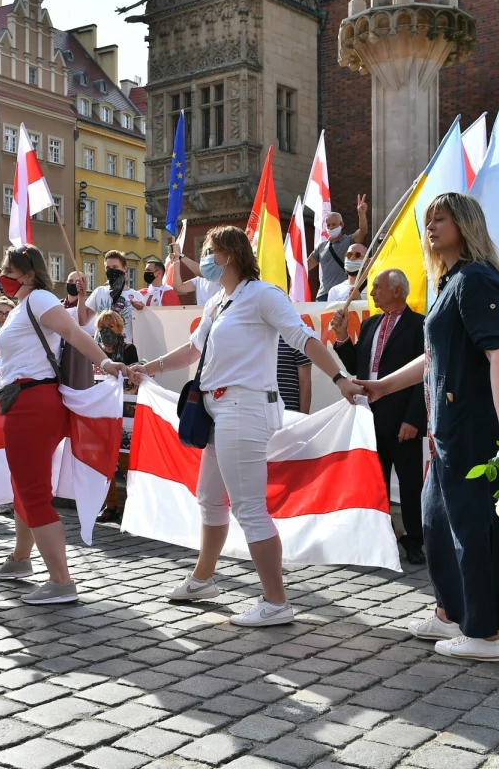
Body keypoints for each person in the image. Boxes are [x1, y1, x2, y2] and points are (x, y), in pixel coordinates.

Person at [132, 226, 365, 626]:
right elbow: (192, 350)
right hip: (217, 409)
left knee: (249, 506)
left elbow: (303, 338)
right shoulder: (217, 301)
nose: (204, 259)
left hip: (244, 407)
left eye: (210, 251)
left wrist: (340, 378)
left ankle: (276, 602)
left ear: (230, 255)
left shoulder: (263, 294)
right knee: (209, 497)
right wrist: (147, 367)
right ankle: (202, 579)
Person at [360, 193, 499, 661]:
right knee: (435, 522)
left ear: (464, 224)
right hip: (447, 431)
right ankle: (450, 612)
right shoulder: (449, 282)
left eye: (441, 219)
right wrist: (383, 386)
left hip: (474, 429)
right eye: (428, 221)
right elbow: (433, 358)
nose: (430, 228)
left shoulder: (476, 279)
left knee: (472, 528)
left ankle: (487, 634)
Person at [0, 245, 132, 605]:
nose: (2, 278)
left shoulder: (39, 299)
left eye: (8, 271)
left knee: (33, 493)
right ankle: (21, 558)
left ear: (27, 274)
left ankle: (61, 582)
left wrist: (106, 363)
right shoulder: (22, 307)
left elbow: (73, 333)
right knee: (23, 486)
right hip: (26, 402)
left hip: (33, 404)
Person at [332, 268, 427, 565]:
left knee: (410, 484)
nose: (372, 292)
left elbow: (425, 376)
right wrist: (342, 337)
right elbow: (358, 367)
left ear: (397, 290)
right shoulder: (370, 323)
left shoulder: (420, 325)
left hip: (402, 419)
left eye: (377, 287)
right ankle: (378, 536)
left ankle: (414, 540)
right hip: (369, 415)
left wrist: (413, 419)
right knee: (374, 481)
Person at [94, 310, 139, 525]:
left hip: (123, 413)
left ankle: (133, 507)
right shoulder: (94, 351)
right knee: (104, 461)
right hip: (100, 413)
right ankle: (110, 506)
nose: (106, 331)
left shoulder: (129, 350)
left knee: (125, 461)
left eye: (111, 326)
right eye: (102, 327)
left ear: (120, 328)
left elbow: (132, 382)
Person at [308, 194, 369, 301]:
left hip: (342, 292)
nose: (331, 227)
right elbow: (305, 267)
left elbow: (363, 232)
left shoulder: (349, 241)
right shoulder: (321, 247)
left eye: (334, 224)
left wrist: (361, 214)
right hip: (323, 294)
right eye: (328, 225)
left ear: (342, 225)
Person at [79, 250, 146, 344]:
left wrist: (141, 311)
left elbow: (143, 329)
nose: (111, 271)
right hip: (100, 347)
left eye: (115, 267)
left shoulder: (137, 296)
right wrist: (81, 296)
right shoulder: (99, 292)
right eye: (108, 268)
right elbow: (83, 321)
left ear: (124, 269)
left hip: (124, 347)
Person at [275, 338, 312, 414]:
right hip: (258, 412)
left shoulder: (297, 338)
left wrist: (302, 417)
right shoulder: (254, 340)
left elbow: (305, 383)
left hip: (289, 413)